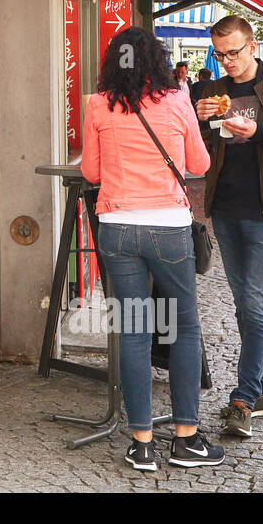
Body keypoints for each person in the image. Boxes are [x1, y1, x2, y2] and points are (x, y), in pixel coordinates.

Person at [81, 26, 220, 473]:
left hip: (118, 228)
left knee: (135, 331)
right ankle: (185, 438)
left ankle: (141, 442)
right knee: (183, 327)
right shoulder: (177, 100)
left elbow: (90, 170)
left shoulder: (98, 103)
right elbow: (199, 164)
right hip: (168, 228)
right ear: (158, 62)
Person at [192, 15, 263, 438]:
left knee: (255, 306)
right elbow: (200, 152)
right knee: (244, 305)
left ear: (252, 46)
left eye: (233, 52)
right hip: (226, 209)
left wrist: (257, 132)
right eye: (219, 54)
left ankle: (244, 398)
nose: (227, 61)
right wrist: (198, 120)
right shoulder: (212, 90)